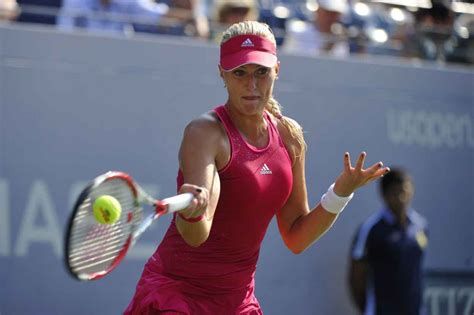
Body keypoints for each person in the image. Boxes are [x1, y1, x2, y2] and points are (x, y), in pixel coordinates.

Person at [125, 20, 390, 314]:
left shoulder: (289, 137)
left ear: (277, 69)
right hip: (177, 297)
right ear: (222, 74)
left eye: (261, 72)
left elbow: (296, 236)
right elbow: (197, 235)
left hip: (238, 301)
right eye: (240, 73)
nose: (251, 85)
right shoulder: (205, 133)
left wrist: (341, 193)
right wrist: (194, 212)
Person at [348, 167, 429, 315]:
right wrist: (368, 309)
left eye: (404, 191)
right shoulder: (370, 229)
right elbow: (356, 279)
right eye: (395, 192)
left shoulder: (420, 226)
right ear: (384, 195)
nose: (401, 198)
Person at [283, 0, 350, 57]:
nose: (331, 18)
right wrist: (329, 46)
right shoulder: (298, 32)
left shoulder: (340, 40)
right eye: (327, 13)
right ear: (318, 10)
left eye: (335, 14)